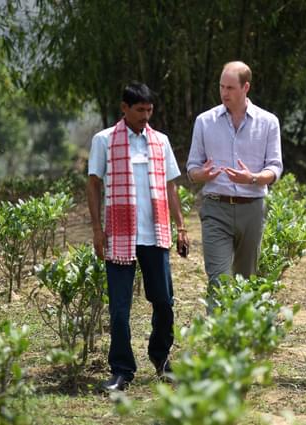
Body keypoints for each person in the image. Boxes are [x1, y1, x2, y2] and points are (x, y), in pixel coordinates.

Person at [87, 82, 189, 391]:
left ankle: (161, 359)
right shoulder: (104, 140)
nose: (146, 116)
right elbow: (93, 183)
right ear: (124, 108)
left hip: (155, 233)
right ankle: (121, 370)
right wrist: (96, 229)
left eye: (149, 110)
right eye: (140, 110)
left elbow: (171, 186)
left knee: (164, 302)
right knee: (119, 308)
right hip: (118, 234)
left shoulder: (160, 142)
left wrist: (181, 226)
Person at [186, 61, 283, 310]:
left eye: (230, 87)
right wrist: (201, 174)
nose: (224, 93)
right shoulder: (204, 121)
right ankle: (218, 343)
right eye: (221, 86)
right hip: (215, 208)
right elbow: (191, 168)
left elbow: (275, 168)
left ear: (246, 87)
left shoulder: (268, 122)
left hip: (252, 208)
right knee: (218, 280)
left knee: (246, 281)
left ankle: (241, 342)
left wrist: (252, 178)